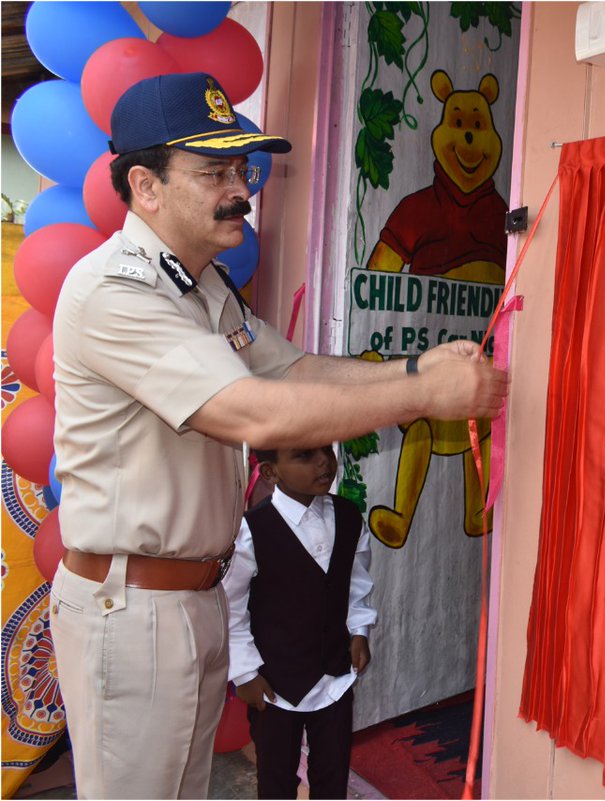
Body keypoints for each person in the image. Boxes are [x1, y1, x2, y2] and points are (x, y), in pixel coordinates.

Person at [48, 72, 507, 799]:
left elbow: (293, 367)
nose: (241, 189)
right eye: (213, 172)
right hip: (131, 605)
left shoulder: (201, 286)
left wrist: (414, 367)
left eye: (240, 168)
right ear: (146, 185)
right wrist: (424, 395)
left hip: (191, 596)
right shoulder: (115, 290)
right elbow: (255, 412)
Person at [223, 445, 375, 799]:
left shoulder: (350, 517)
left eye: (326, 449)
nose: (324, 461)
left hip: (334, 677)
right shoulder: (252, 531)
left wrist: (359, 631)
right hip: (276, 687)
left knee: (332, 775)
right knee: (276, 781)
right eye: (304, 456)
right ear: (271, 472)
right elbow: (231, 607)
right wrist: (244, 673)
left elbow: (356, 581)